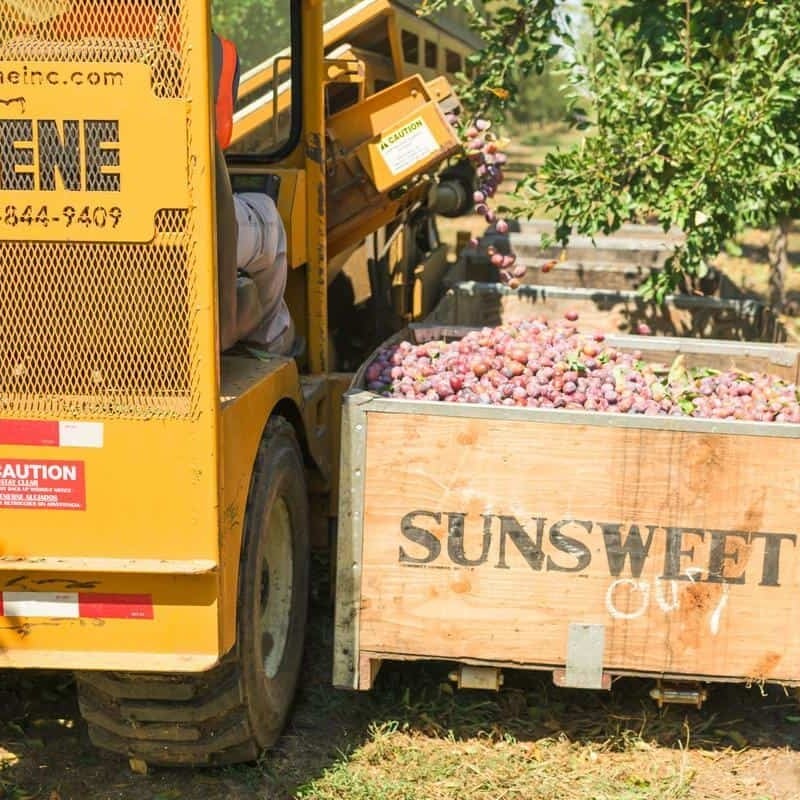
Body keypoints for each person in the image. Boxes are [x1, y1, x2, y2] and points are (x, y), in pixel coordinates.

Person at [212, 32, 295, 355]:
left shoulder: (64, 35)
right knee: (267, 215)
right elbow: (215, 138)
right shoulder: (210, 48)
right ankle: (269, 343)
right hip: (180, 215)